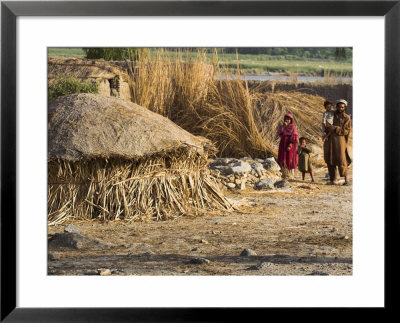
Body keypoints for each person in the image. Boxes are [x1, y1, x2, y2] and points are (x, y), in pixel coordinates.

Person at [323, 99, 352, 185]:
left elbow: (346, 130)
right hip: (330, 140)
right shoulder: (331, 114)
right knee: (330, 159)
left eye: (342, 107)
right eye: (339, 106)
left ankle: (346, 179)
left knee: (342, 159)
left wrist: (336, 128)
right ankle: (333, 180)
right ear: (336, 107)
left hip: (340, 141)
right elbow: (326, 125)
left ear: (344, 108)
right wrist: (326, 132)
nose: (340, 108)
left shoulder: (347, 117)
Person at [277, 113, 299, 178]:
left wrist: (290, 144)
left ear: (291, 120)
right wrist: (283, 127)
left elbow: (294, 137)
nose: (287, 120)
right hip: (283, 144)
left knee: (290, 157)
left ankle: (291, 174)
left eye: (289, 119)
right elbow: (279, 133)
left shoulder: (293, 127)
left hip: (290, 144)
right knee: (283, 156)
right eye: (286, 119)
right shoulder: (283, 126)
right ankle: (284, 173)